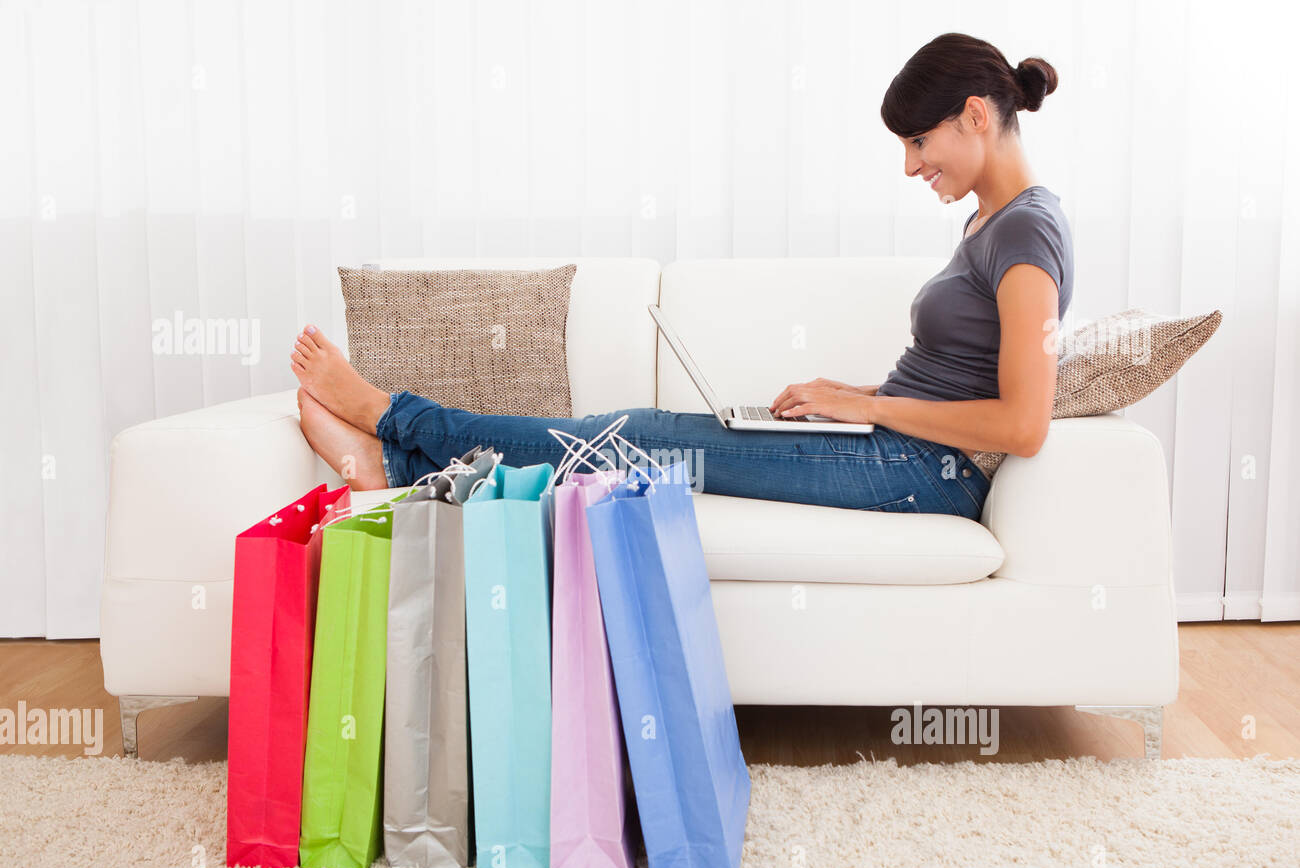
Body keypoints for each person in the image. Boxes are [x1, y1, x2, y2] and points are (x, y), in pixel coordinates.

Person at [291, 32, 1072, 522]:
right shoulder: (989, 223)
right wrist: (855, 397)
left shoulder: (1027, 230)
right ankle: (389, 466)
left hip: (917, 470)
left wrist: (861, 404)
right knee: (642, 435)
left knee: (640, 437)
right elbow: (958, 380)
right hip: (889, 443)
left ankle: (394, 423)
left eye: (917, 140)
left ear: (975, 114)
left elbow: (1022, 425)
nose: (910, 165)